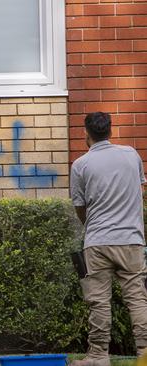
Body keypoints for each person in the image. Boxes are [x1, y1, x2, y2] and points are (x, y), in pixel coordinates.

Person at [70, 112, 147, 366]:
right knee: (137, 298)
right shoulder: (131, 155)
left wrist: (90, 226)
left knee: (98, 301)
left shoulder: (80, 165)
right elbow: (140, 190)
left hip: (98, 241)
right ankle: (145, 353)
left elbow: (80, 206)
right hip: (131, 240)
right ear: (110, 131)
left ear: (86, 133)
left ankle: (98, 356)